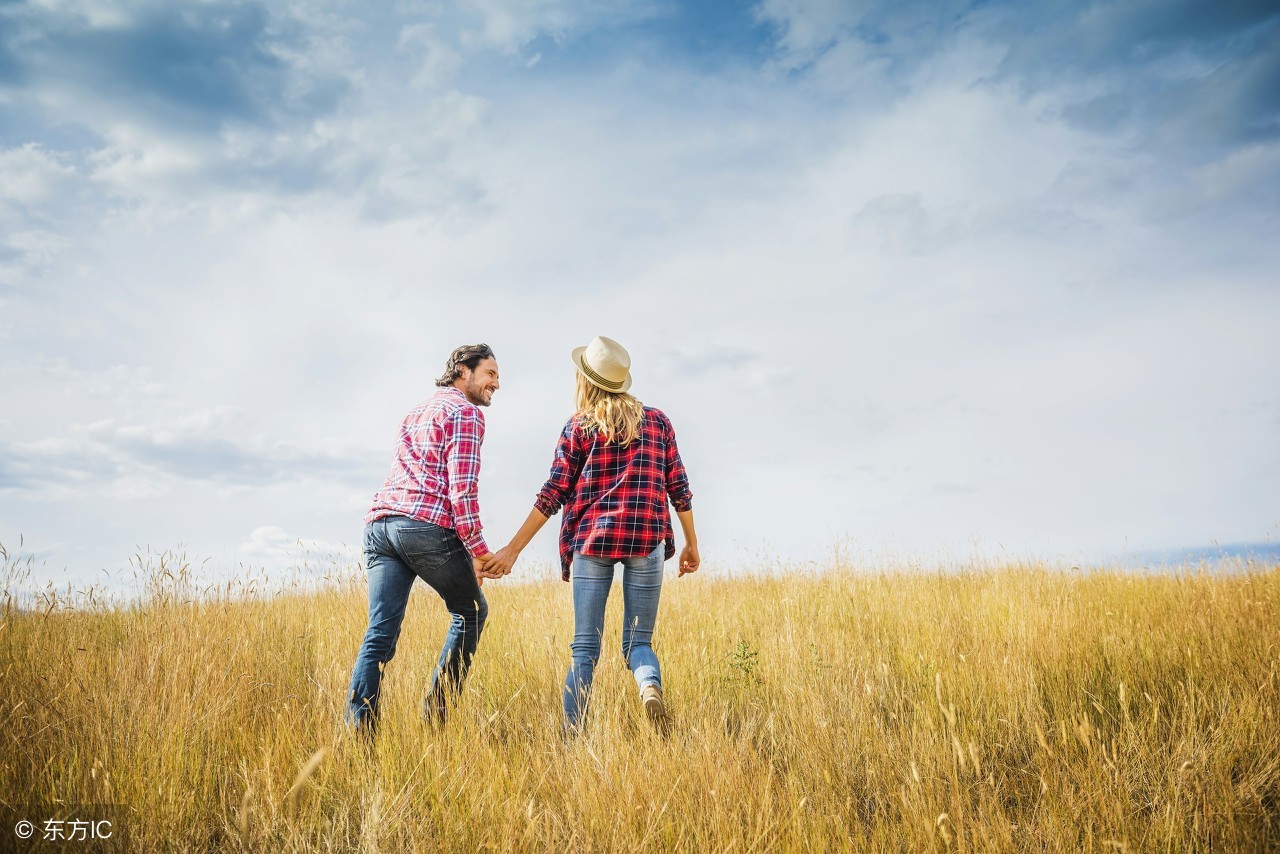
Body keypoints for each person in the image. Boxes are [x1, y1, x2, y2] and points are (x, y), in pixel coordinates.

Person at [485, 336, 700, 732]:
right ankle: (648, 684)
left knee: (584, 648)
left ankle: (574, 740)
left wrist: (512, 550)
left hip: (592, 541)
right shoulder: (657, 422)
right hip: (646, 539)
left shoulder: (579, 426)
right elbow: (679, 488)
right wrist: (691, 543)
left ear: (585, 380)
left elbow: (553, 493)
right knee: (639, 642)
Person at [346, 343, 508, 733]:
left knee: (379, 632)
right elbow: (462, 491)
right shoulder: (465, 413)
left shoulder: (415, 411)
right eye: (490, 374)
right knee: (470, 612)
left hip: (380, 527)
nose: (496, 384)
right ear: (463, 371)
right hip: (422, 527)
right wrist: (480, 552)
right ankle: (436, 720)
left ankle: (359, 733)